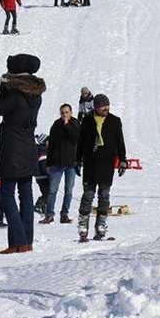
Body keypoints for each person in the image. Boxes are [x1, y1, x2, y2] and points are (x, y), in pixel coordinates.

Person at [0, 53, 45, 253]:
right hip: (28, 147)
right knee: (25, 193)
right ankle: (26, 242)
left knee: (6, 194)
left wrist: (2, 87)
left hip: (12, 147)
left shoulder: (14, 92)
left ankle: (18, 241)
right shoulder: (36, 93)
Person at [76, 94, 126, 241]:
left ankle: (101, 225)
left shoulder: (114, 121)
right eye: (103, 106)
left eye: (107, 105)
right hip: (91, 163)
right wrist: (77, 160)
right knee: (88, 195)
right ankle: (83, 224)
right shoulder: (87, 121)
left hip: (106, 163)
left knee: (104, 195)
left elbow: (120, 142)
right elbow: (81, 142)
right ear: (96, 107)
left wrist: (123, 160)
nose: (106, 108)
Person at [41, 104, 79, 224]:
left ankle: (64, 214)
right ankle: (49, 214)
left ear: (71, 112)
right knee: (52, 190)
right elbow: (51, 145)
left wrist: (67, 124)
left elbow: (76, 137)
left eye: (66, 112)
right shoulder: (56, 125)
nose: (64, 114)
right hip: (56, 163)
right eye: (62, 112)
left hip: (71, 163)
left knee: (68, 190)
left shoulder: (75, 124)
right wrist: (48, 163)